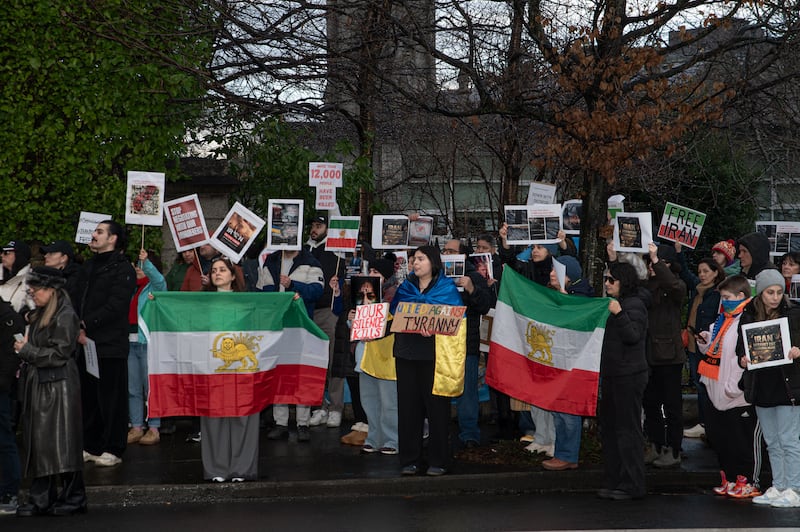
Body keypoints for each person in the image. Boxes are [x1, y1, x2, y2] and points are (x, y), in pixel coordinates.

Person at [13, 267, 86, 516]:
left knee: (60, 443)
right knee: (44, 443)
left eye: (35, 291)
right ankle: (46, 496)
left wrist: (27, 351)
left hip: (58, 385)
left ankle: (70, 496)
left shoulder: (64, 315)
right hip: (45, 383)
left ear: (50, 290)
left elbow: (60, 354)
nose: (32, 295)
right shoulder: (44, 312)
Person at [392, 245, 463, 476]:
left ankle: (439, 460)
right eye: (414, 260)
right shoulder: (406, 287)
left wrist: (435, 329)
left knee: (437, 410)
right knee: (408, 409)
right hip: (406, 353)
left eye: (421, 259)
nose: (415, 263)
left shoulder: (446, 288)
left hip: (435, 356)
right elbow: (394, 315)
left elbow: (456, 321)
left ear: (433, 262)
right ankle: (409, 460)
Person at [737, 269, 800, 508]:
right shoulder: (749, 315)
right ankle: (779, 484)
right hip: (762, 385)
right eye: (770, 292)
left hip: (788, 387)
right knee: (772, 440)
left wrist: (798, 351)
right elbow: (740, 348)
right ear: (760, 293)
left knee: (789, 439)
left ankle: (794, 487)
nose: (775, 297)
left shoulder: (794, 313)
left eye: (778, 292)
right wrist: (743, 357)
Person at [77, 220, 136, 467]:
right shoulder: (89, 266)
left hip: (110, 344)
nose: (94, 235)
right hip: (85, 343)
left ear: (112, 239)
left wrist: (85, 323)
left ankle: (113, 447)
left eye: (100, 231)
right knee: (89, 397)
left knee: (111, 398)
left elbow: (116, 305)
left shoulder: (122, 269)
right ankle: (92, 445)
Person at [695, 275, 759, 498]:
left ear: (741, 296)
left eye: (727, 297)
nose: (724, 301)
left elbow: (745, 356)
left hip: (736, 392)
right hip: (716, 389)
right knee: (720, 438)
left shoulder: (747, 320)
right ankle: (729, 477)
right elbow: (714, 348)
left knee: (740, 439)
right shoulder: (723, 320)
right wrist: (704, 340)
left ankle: (746, 479)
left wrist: (737, 386)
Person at [197, 255, 259, 482]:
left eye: (223, 269)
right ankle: (216, 470)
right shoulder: (201, 303)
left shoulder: (249, 303)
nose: (217, 273)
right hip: (212, 370)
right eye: (214, 270)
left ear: (233, 276)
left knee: (243, 416)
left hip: (242, 373)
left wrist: (292, 299)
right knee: (214, 417)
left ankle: (241, 469)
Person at [258, 247, 324, 442]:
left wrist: (292, 284)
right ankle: (281, 423)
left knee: (301, 373)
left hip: (302, 326)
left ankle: (303, 424)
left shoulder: (311, 262)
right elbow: (262, 291)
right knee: (279, 373)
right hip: (277, 327)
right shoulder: (271, 260)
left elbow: (317, 291)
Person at [597, 262, 650, 501]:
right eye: (606, 279)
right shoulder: (613, 304)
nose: (607, 283)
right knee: (610, 429)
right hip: (612, 374)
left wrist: (619, 314)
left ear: (623, 282)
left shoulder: (634, 304)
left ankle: (633, 483)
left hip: (628, 376)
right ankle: (615, 479)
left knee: (628, 431)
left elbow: (633, 336)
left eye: (612, 280)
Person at [541, 255, 594, 471]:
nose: (551, 274)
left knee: (568, 410)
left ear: (568, 275)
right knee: (557, 408)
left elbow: (579, 324)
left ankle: (568, 455)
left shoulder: (581, 297)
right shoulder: (554, 294)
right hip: (558, 360)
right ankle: (562, 452)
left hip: (574, 364)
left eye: (555, 270)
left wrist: (565, 300)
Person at [442, 239, 495, 449]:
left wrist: (471, 289)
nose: (446, 253)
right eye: (444, 250)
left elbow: (485, 306)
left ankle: (470, 433)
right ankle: (440, 431)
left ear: (463, 256)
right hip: (442, 343)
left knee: (467, 391)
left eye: (451, 251)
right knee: (441, 389)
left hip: (466, 343)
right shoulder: (437, 276)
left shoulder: (474, 277)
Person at [641, 243, 687, 468]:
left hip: (669, 357)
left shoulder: (675, 286)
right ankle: (657, 444)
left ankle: (675, 449)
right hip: (648, 355)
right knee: (650, 404)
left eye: (657, 262)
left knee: (672, 407)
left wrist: (657, 263)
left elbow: (674, 285)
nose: (651, 266)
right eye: (650, 262)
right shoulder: (647, 286)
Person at [349, 258, 399, 453]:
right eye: (371, 271)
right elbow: (354, 329)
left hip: (387, 358)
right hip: (365, 356)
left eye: (377, 272)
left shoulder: (396, 295)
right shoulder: (363, 294)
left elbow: (395, 325)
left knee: (389, 403)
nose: (372, 275)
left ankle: (392, 440)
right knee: (369, 401)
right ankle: (374, 438)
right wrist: (351, 320)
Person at [676, 248, 726, 439]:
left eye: (706, 271)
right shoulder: (698, 289)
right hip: (693, 344)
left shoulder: (719, 293)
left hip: (708, 346)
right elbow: (686, 274)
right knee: (699, 384)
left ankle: (707, 423)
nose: (702, 275)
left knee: (705, 385)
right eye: (700, 272)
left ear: (716, 272)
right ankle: (705, 423)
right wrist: (679, 252)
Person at [304, 214, 347, 429]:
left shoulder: (336, 250)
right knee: (315, 363)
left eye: (319, 225)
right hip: (308, 312)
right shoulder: (306, 249)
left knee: (332, 362)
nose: (314, 229)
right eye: (313, 224)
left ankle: (336, 407)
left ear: (328, 229)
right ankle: (319, 406)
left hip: (328, 311)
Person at [127, 249, 167, 446]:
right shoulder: (129, 288)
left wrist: (146, 262)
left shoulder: (156, 287)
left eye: (142, 265)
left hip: (147, 344)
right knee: (133, 388)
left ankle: (154, 428)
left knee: (150, 389)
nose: (138, 268)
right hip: (129, 343)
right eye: (137, 265)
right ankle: (136, 427)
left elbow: (159, 279)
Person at [0, 297, 25, 515]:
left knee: (4, 439)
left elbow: (13, 355)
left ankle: (10, 492)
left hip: (1, 390)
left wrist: (2, 382)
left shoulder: (8, 318)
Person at [41, 240, 86, 310]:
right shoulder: (45, 274)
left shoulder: (75, 278)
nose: (46, 256)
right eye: (47, 253)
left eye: (51, 253)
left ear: (64, 258)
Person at [0, 240, 33, 313]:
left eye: (7, 253)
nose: (2, 255)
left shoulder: (30, 280)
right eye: (2, 252)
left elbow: (33, 310)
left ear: (19, 256)